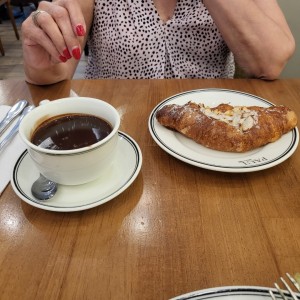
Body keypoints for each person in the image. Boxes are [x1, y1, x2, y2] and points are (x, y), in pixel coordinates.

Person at [21, 0, 295, 85]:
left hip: (212, 131)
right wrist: (42, 59)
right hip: (116, 133)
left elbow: (270, 61)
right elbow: (56, 70)